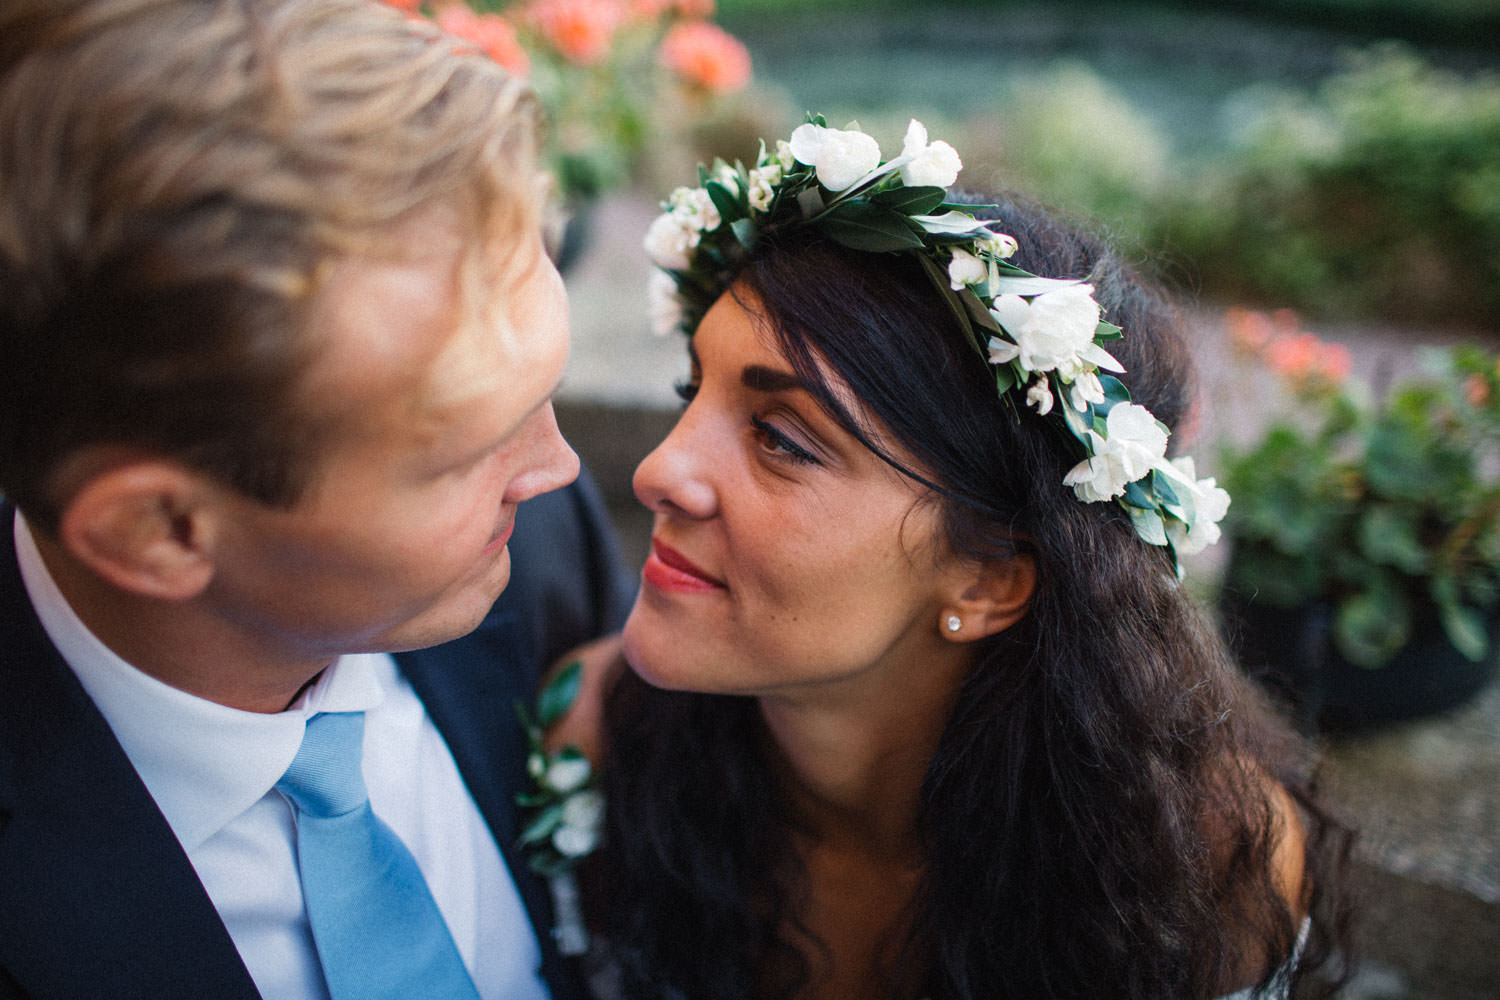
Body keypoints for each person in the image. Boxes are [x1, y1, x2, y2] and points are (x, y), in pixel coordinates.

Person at [546, 117, 1353, 1000]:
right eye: (688, 390)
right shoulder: (590, 738)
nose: (659, 471)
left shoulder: (1205, 872)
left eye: (779, 438)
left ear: (991, 577)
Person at [0, 1, 632, 998]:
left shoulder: (537, 550)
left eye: (542, 390)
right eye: (464, 449)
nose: (556, 466)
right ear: (160, 531)